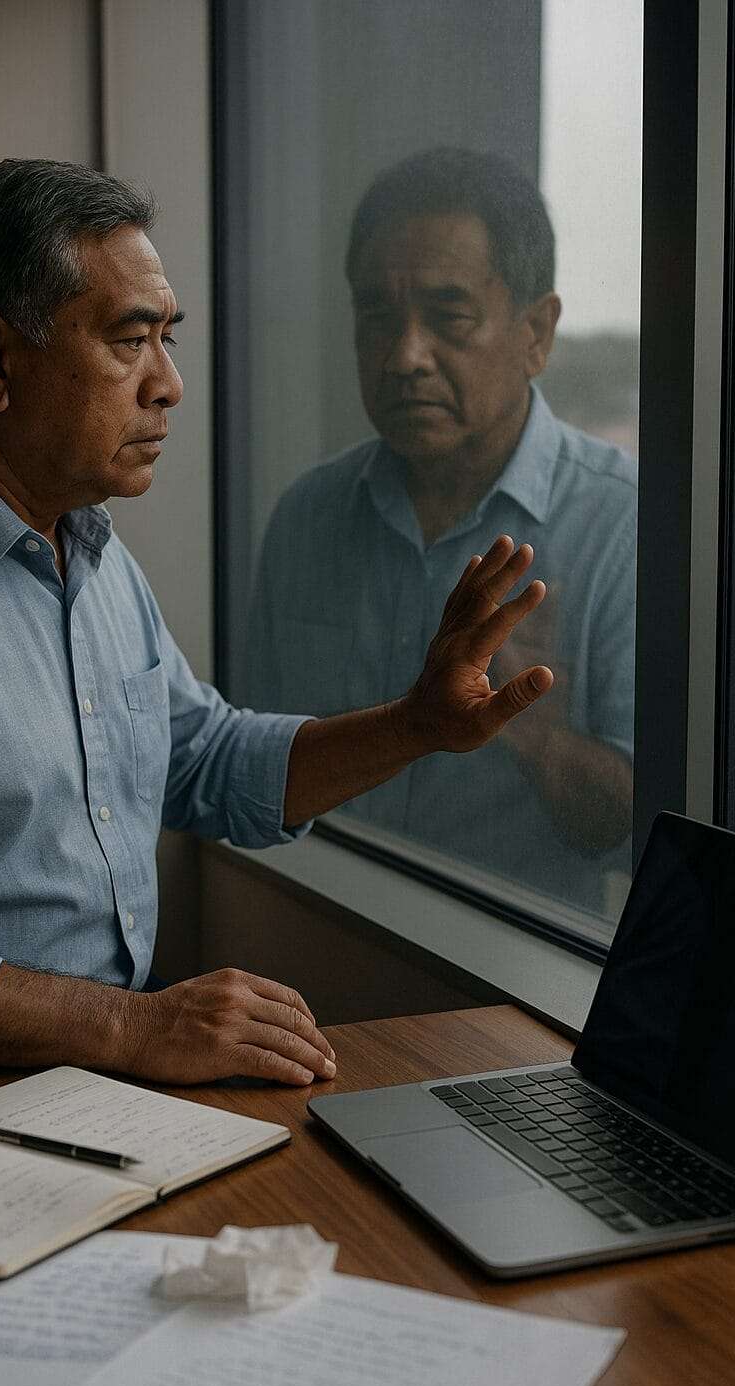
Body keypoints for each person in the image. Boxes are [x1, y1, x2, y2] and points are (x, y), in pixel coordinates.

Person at [0, 159, 552, 1095]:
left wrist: (419, 727)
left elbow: (203, 760)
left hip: (89, 1069)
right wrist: (134, 1025)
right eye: (130, 341)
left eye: (168, 338)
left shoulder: (88, 549)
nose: (170, 386)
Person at [248, 147, 636, 914]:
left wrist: (532, 734)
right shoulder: (307, 516)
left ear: (537, 332)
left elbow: (645, 838)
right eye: (377, 317)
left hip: (508, 980)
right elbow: (253, 773)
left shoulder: (626, 527)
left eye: (449, 318)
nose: (405, 357)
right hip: (312, 941)